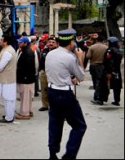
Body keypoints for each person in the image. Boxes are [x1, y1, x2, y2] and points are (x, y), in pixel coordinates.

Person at [45, 28, 86, 160]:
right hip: (64, 93)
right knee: (79, 126)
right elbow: (81, 76)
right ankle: (69, 155)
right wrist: (80, 58)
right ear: (71, 42)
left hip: (51, 91)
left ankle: (52, 153)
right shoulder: (70, 57)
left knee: (55, 123)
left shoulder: (50, 54)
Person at [0, 34, 17, 123]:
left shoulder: (7, 52)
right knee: (7, 98)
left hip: (7, 79)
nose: (0, 41)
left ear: (5, 42)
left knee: (8, 99)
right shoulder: (8, 49)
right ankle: (8, 115)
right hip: (8, 79)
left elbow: (1, 66)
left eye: (1, 40)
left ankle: (9, 117)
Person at [15, 36, 37, 120]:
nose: (19, 43)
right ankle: (29, 110)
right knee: (26, 96)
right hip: (27, 78)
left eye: (20, 42)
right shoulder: (25, 51)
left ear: (25, 43)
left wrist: (24, 77)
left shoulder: (27, 52)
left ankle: (25, 113)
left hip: (26, 79)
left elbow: (28, 67)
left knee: (25, 97)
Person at [86, 35, 108, 105]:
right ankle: (99, 94)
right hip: (102, 66)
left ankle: (97, 95)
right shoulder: (106, 47)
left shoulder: (92, 47)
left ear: (96, 40)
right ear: (103, 41)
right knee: (100, 81)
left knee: (95, 80)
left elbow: (88, 56)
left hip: (93, 65)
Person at [38, 36, 58, 111]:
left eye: (53, 42)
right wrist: (40, 70)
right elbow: (41, 61)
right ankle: (45, 105)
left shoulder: (57, 52)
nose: (51, 44)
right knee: (44, 89)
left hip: (54, 73)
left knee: (53, 90)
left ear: (56, 44)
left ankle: (53, 106)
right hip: (44, 72)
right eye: (49, 42)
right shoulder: (44, 50)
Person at [103, 37, 123, 106]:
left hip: (111, 71)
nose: (107, 43)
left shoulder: (110, 51)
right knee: (117, 86)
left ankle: (103, 98)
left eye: (108, 42)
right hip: (117, 70)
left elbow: (108, 62)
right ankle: (117, 100)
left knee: (106, 85)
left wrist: (108, 71)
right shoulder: (118, 50)